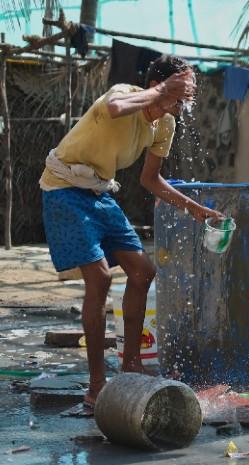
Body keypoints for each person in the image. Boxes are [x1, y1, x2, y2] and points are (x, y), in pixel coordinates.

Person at [38, 55, 221, 409]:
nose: (185, 100)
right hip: (63, 188)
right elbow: (117, 106)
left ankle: (131, 363)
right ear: (159, 85)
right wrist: (161, 91)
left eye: (187, 93)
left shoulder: (165, 125)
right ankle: (95, 385)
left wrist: (196, 210)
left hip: (100, 192)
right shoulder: (126, 92)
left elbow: (150, 179)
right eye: (181, 90)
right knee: (100, 279)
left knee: (143, 271)